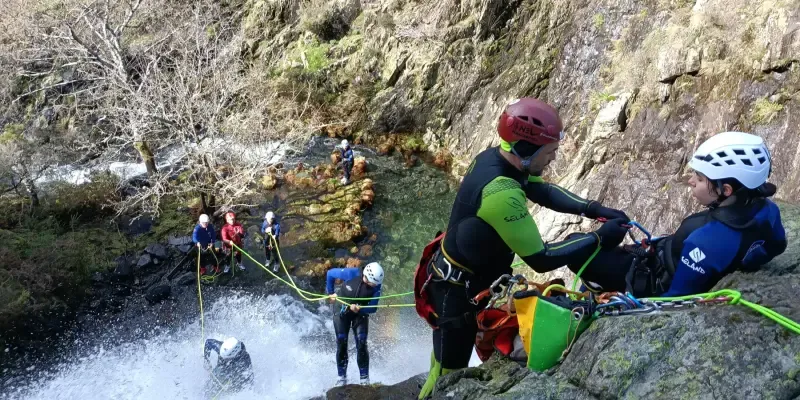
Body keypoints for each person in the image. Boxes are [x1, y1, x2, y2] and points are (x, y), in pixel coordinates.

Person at [418, 98, 629, 399]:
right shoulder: (501, 193)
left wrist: (594, 209)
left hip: (455, 280)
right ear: (528, 150)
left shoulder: (498, 158)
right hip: (456, 292)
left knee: (441, 361)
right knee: (449, 373)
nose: (553, 158)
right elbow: (541, 258)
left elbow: (541, 189)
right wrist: (599, 238)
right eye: (550, 151)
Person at [564, 131, 786, 297]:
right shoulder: (767, 211)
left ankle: (598, 289)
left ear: (725, 190)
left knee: (574, 247)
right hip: (662, 259)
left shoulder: (704, 241)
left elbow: (675, 298)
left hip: (647, 279)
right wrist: (741, 265)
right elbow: (777, 245)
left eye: (699, 179)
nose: (691, 181)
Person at [326, 262, 384, 387]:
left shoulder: (377, 286)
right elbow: (330, 274)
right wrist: (330, 293)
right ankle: (341, 377)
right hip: (341, 309)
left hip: (359, 312)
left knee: (361, 342)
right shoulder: (352, 273)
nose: (376, 286)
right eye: (374, 283)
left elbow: (373, 308)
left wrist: (360, 309)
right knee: (342, 341)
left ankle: (364, 379)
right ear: (367, 277)